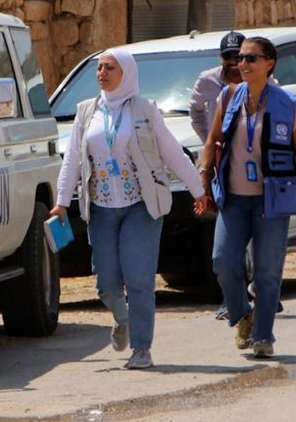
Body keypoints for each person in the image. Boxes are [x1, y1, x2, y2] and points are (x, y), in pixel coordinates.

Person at [51, 48, 205, 370]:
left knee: (139, 280)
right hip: (101, 208)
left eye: (110, 67)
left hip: (141, 206)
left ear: (127, 73)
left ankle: (141, 348)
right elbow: (72, 162)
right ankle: (122, 319)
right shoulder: (85, 112)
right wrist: (61, 201)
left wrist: (199, 189)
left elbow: (172, 152)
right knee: (105, 283)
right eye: (99, 68)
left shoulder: (145, 110)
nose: (101, 73)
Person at [193, 37, 296, 359]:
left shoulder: (286, 103)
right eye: (240, 58)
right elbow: (212, 141)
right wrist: (204, 176)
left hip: (271, 198)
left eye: (251, 58)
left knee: (267, 271)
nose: (242, 64)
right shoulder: (228, 96)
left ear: (269, 63)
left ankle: (263, 335)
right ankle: (241, 314)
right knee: (223, 261)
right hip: (233, 198)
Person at [189, 31, 280, 321]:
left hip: (266, 187)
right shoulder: (215, 86)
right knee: (225, 255)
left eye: (244, 57)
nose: (236, 62)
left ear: (267, 63)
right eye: (231, 57)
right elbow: (197, 114)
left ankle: (263, 309)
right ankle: (238, 306)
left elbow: (292, 137)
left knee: (262, 255)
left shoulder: (273, 90)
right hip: (230, 179)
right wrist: (213, 150)